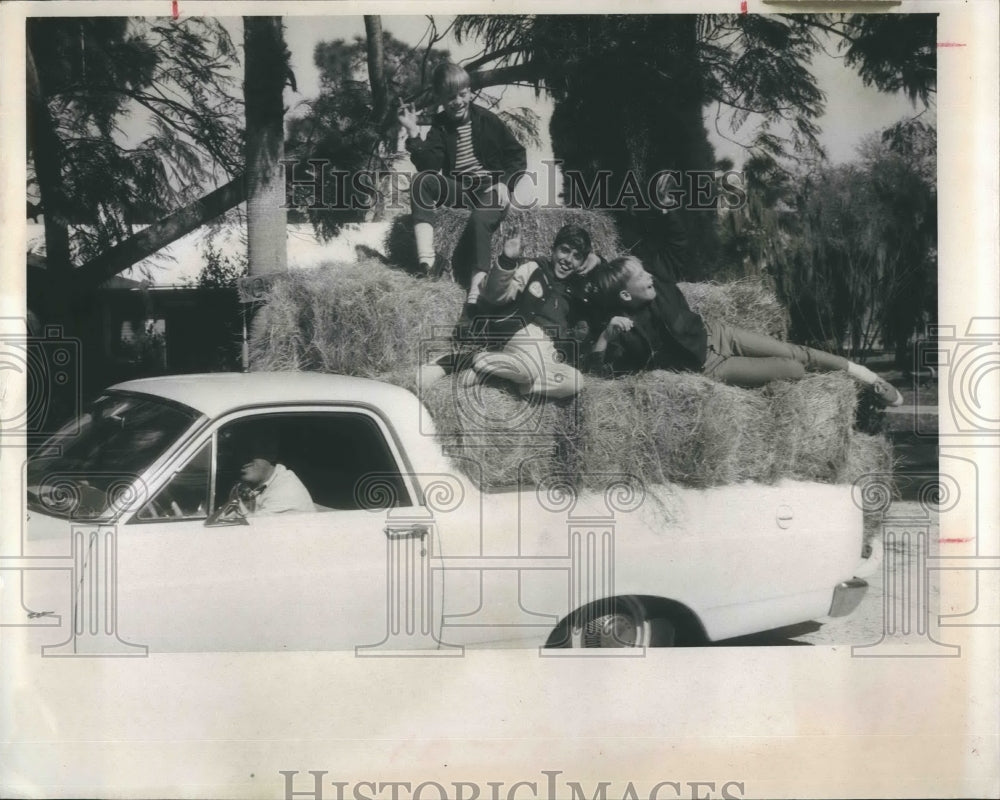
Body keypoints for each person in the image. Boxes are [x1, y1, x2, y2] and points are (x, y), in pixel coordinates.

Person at [586, 255, 904, 405]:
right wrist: (604, 338)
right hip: (710, 367)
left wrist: (598, 262)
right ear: (626, 296)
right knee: (793, 369)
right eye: (640, 276)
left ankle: (866, 377)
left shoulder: (661, 285)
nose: (648, 276)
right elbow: (599, 381)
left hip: (720, 333)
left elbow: (675, 245)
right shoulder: (622, 330)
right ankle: (842, 389)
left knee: (797, 351)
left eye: (644, 269)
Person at [398, 62, 527, 290]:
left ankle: (478, 288)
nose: (457, 102)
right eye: (449, 97)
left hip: (489, 189)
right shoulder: (440, 125)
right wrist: (414, 132)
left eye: (462, 94)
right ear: (439, 99)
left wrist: (505, 183)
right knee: (421, 182)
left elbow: (517, 155)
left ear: (470, 92)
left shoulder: (487, 120)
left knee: (479, 220)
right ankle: (428, 262)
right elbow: (429, 166)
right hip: (461, 191)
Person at [465, 224, 602, 399]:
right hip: (524, 333)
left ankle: (506, 378)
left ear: (583, 262)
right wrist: (507, 260)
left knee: (575, 381)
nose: (568, 259)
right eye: (565, 250)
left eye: (577, 256)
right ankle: (480, 359)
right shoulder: (534, 268)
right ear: (553, 249)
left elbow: (609, 283)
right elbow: (495, 296)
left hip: (549, 349)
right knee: (529, 367)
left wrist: (598, 261)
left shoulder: (575, 286)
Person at [226, 442, 315, 517]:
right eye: (238, 452)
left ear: (271, 455)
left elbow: (252, 531)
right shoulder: (258, 482)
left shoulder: (286, 492)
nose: (242, 459)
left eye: (250, 451)